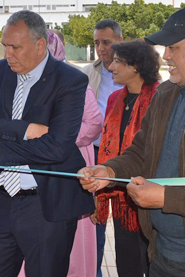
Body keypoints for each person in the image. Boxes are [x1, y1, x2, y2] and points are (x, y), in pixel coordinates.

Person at [80, 6, 185, 276]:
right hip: (161, 255)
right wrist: (110, 171)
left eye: (173, 47)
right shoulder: (167, 94)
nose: (165, 56)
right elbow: (141, 151)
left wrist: (166, 197)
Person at [0, 10, 93, 277]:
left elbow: (56, 147)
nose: (8, 54)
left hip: (45, 207)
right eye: (5, 46)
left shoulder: (71, 80)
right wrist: (26, 129)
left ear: (40, 45)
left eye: (15, 47)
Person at [96, 40, 159, 277]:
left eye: (117, 62)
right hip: (120, 193)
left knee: (151, 262)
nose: (111, 67)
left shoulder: (159, 96)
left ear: (135, 66)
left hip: (149, 192)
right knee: (126, 263)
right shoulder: (114, 99)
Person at [80, 19, 124, 276]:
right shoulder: (87, 72)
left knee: (127, 220)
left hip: (125, 155)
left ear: (120, 40)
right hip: (95, 154)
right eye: (97, 42)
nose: (101, 48)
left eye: (106, 42)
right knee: (95, 217)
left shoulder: (135, 72)